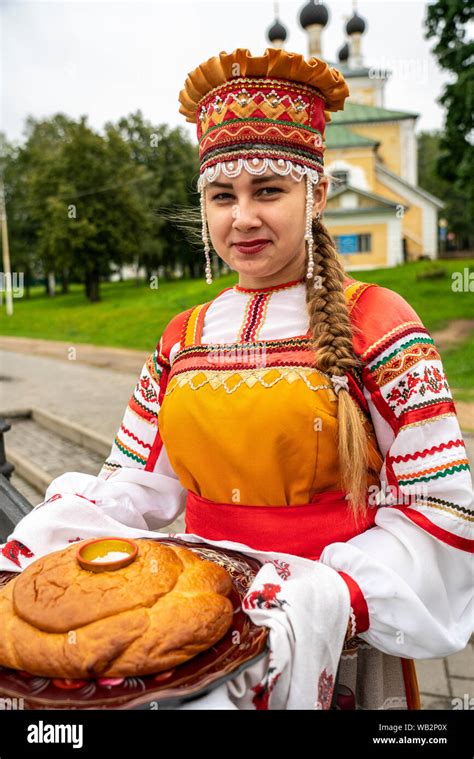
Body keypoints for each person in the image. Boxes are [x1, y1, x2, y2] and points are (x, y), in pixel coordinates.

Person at [1, 48, 472, 710]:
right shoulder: (182, 338)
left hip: (334, 641)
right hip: (204, 648)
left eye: (269, 190)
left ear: (318, 192)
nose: (242, 218)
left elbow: (442, 506)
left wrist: (332, 593)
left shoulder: (382, 323)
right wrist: (56, 536)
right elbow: (134, 484)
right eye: (223, 196)